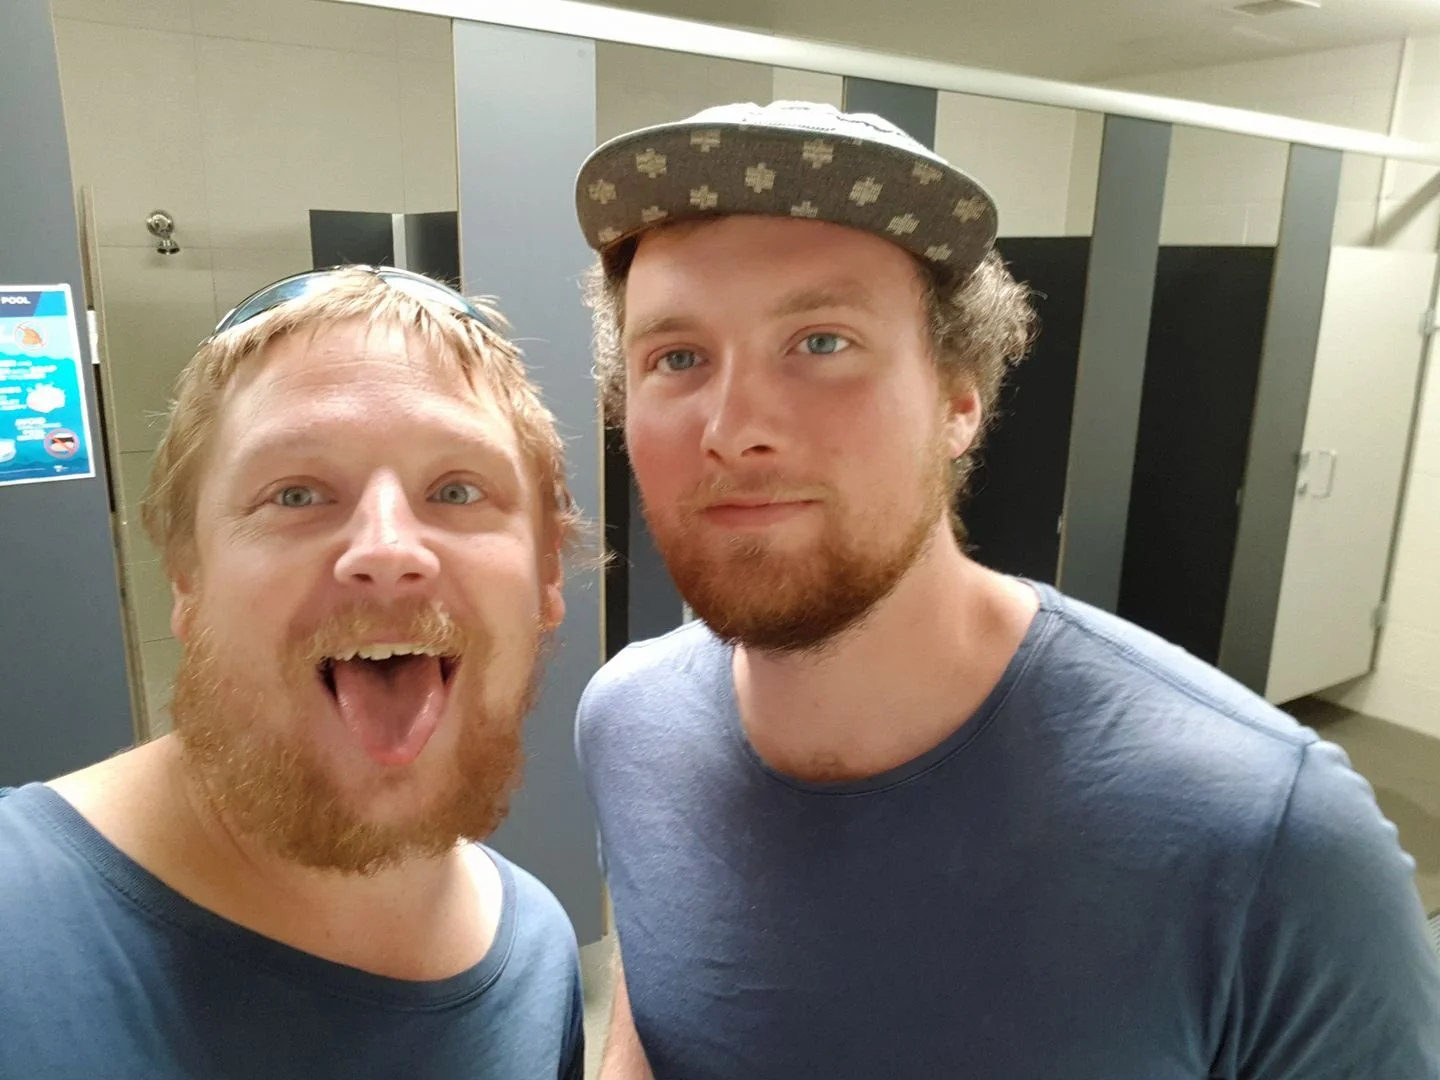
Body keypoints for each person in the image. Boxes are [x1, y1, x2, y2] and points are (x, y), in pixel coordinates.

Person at [571, 101, 1440, 1078]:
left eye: (821, 341)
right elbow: (647, 1028)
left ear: (958, 399)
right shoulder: (626, 726)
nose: (733, 426)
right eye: (676, 358)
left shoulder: (1275, 843)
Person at [0, 268, 586, 1078]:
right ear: (187, 579)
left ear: (547, 574)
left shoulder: (535, 960)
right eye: (296, 493)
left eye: (456, 489)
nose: (386, 551)